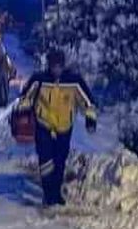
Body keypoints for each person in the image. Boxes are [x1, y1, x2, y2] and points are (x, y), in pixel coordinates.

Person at [15, 49, 98, 207]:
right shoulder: (39, 80)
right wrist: (23, 111)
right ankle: (48, 194)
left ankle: (56, 191)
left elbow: (87, 102)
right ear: (49, 66)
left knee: (60, 161)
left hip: (64, 127)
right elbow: (26, 97)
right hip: (43, 125)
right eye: (53, 67)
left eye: (59, 67)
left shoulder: (74, 81)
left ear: (63, 65)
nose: (56, 70)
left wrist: (90, 119)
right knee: (46, 160)